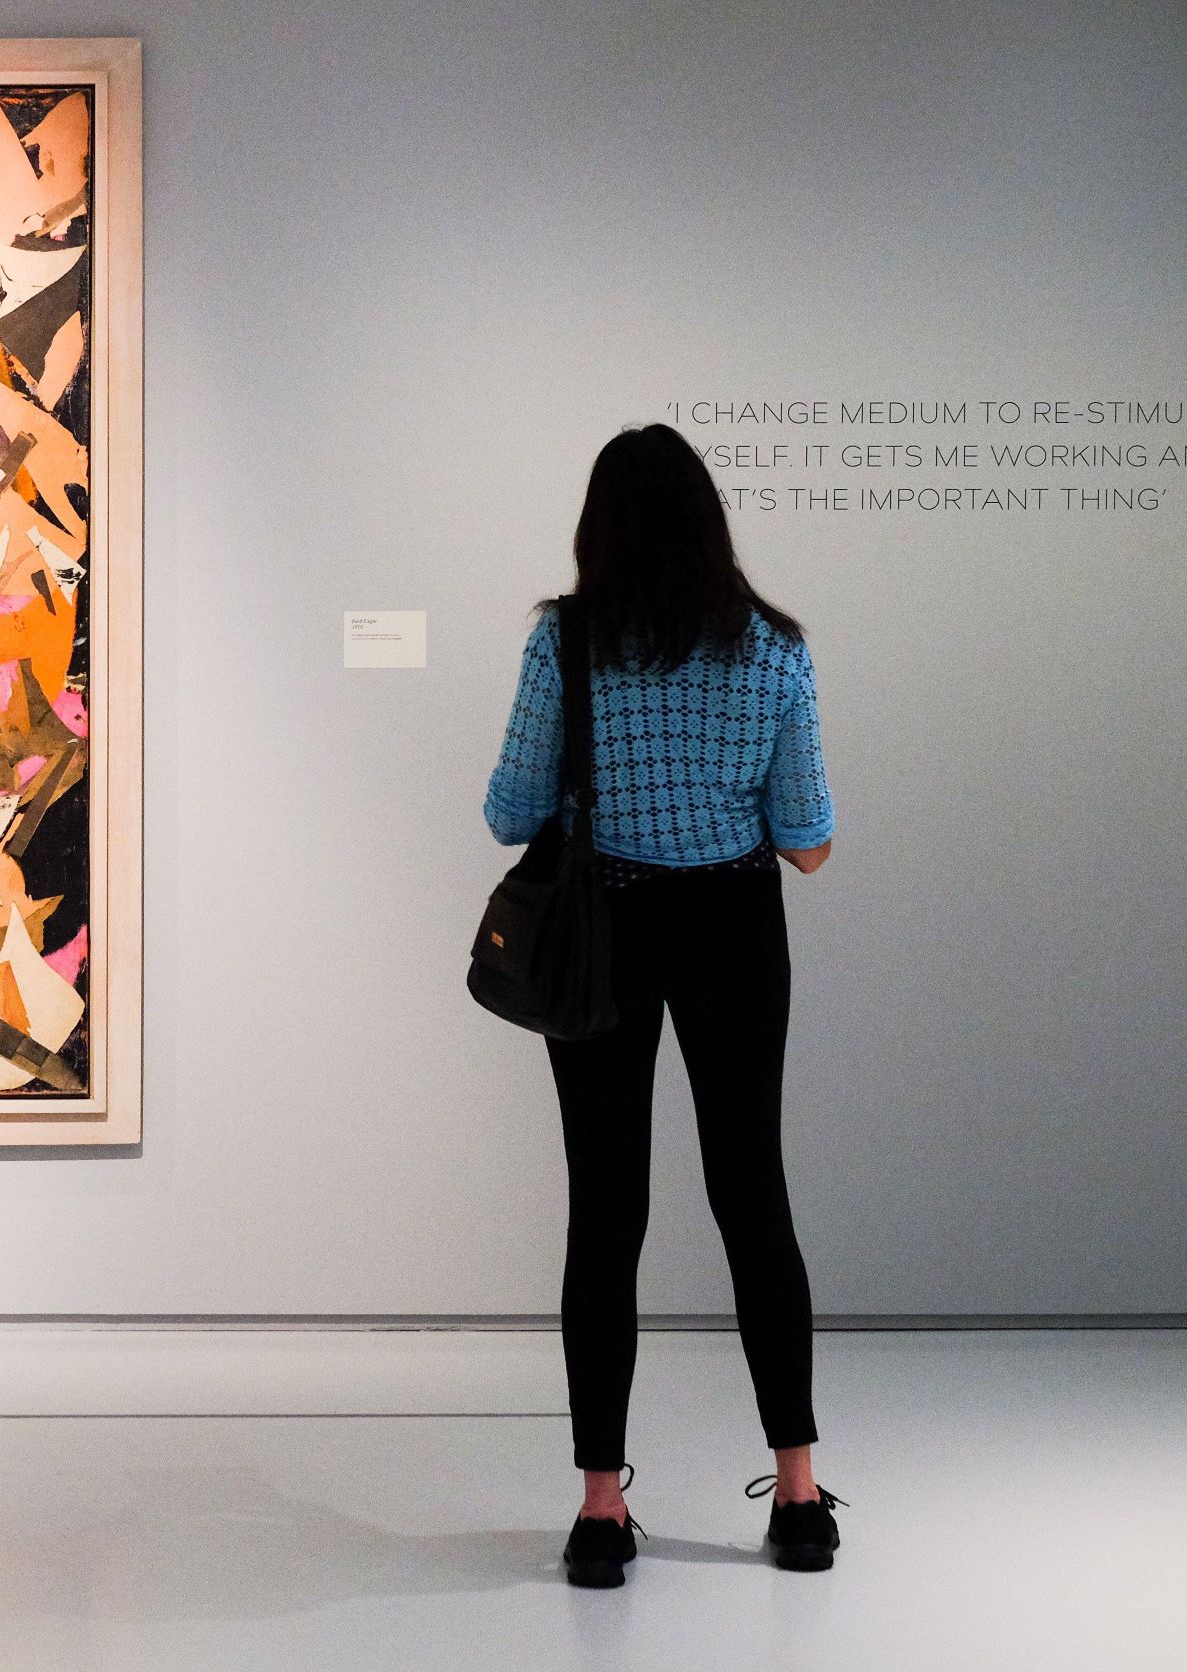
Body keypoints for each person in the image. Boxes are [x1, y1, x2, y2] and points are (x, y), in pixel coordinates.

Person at [482, 423, 847, 1588]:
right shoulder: (777, 651)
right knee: (753, 1195)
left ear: (599, 525)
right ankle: (797, 1497)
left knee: (606, 1209)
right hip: (736, 928)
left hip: (606, 930)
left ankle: (599, 1509)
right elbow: (810, 844)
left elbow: (508, 810)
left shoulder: (567, 642)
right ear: (709, 521)